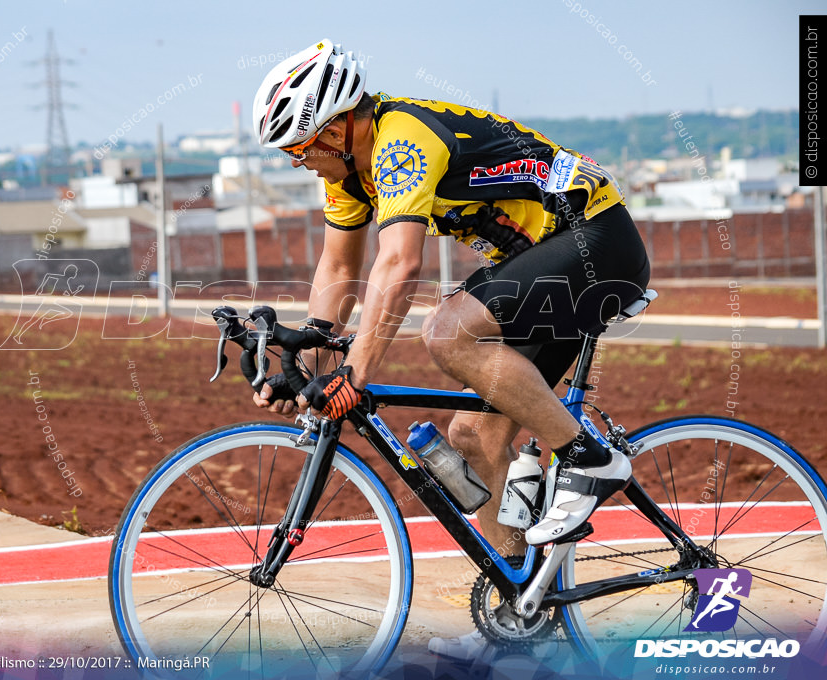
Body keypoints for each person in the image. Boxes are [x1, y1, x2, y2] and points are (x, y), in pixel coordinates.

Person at [251, 39, 650, 660]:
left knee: (447, 331)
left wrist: (354, 371)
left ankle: (588, 457)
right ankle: (522, 622)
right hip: (540, 263)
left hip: (596, 242)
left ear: (336, 125)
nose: (299, 163)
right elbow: (338, 268)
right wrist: (305, 364)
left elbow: (399, 264)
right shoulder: (348, 174)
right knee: (473, 438)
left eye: (301, 147)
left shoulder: (402, 140)